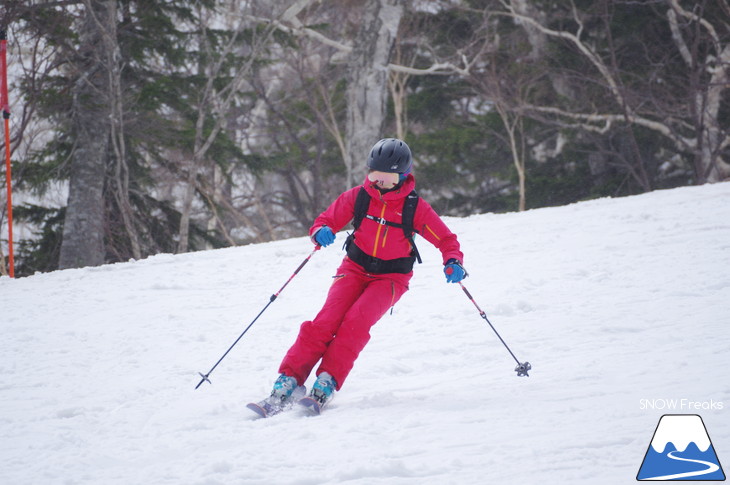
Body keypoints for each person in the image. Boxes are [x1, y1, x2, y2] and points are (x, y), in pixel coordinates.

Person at [269, 138, 467, 409]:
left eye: (386, 177)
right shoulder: (359, 196)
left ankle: (327, 379)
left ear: (403, 176)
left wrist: (453, 261)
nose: (379, 182)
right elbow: (325, 220)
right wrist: (321, 231)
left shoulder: (414, 208)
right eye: (375, 174)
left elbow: (446, 240)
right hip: (354, 267)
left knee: (356, 322)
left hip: (391, 278)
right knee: (325, 321)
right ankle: (289, 378)